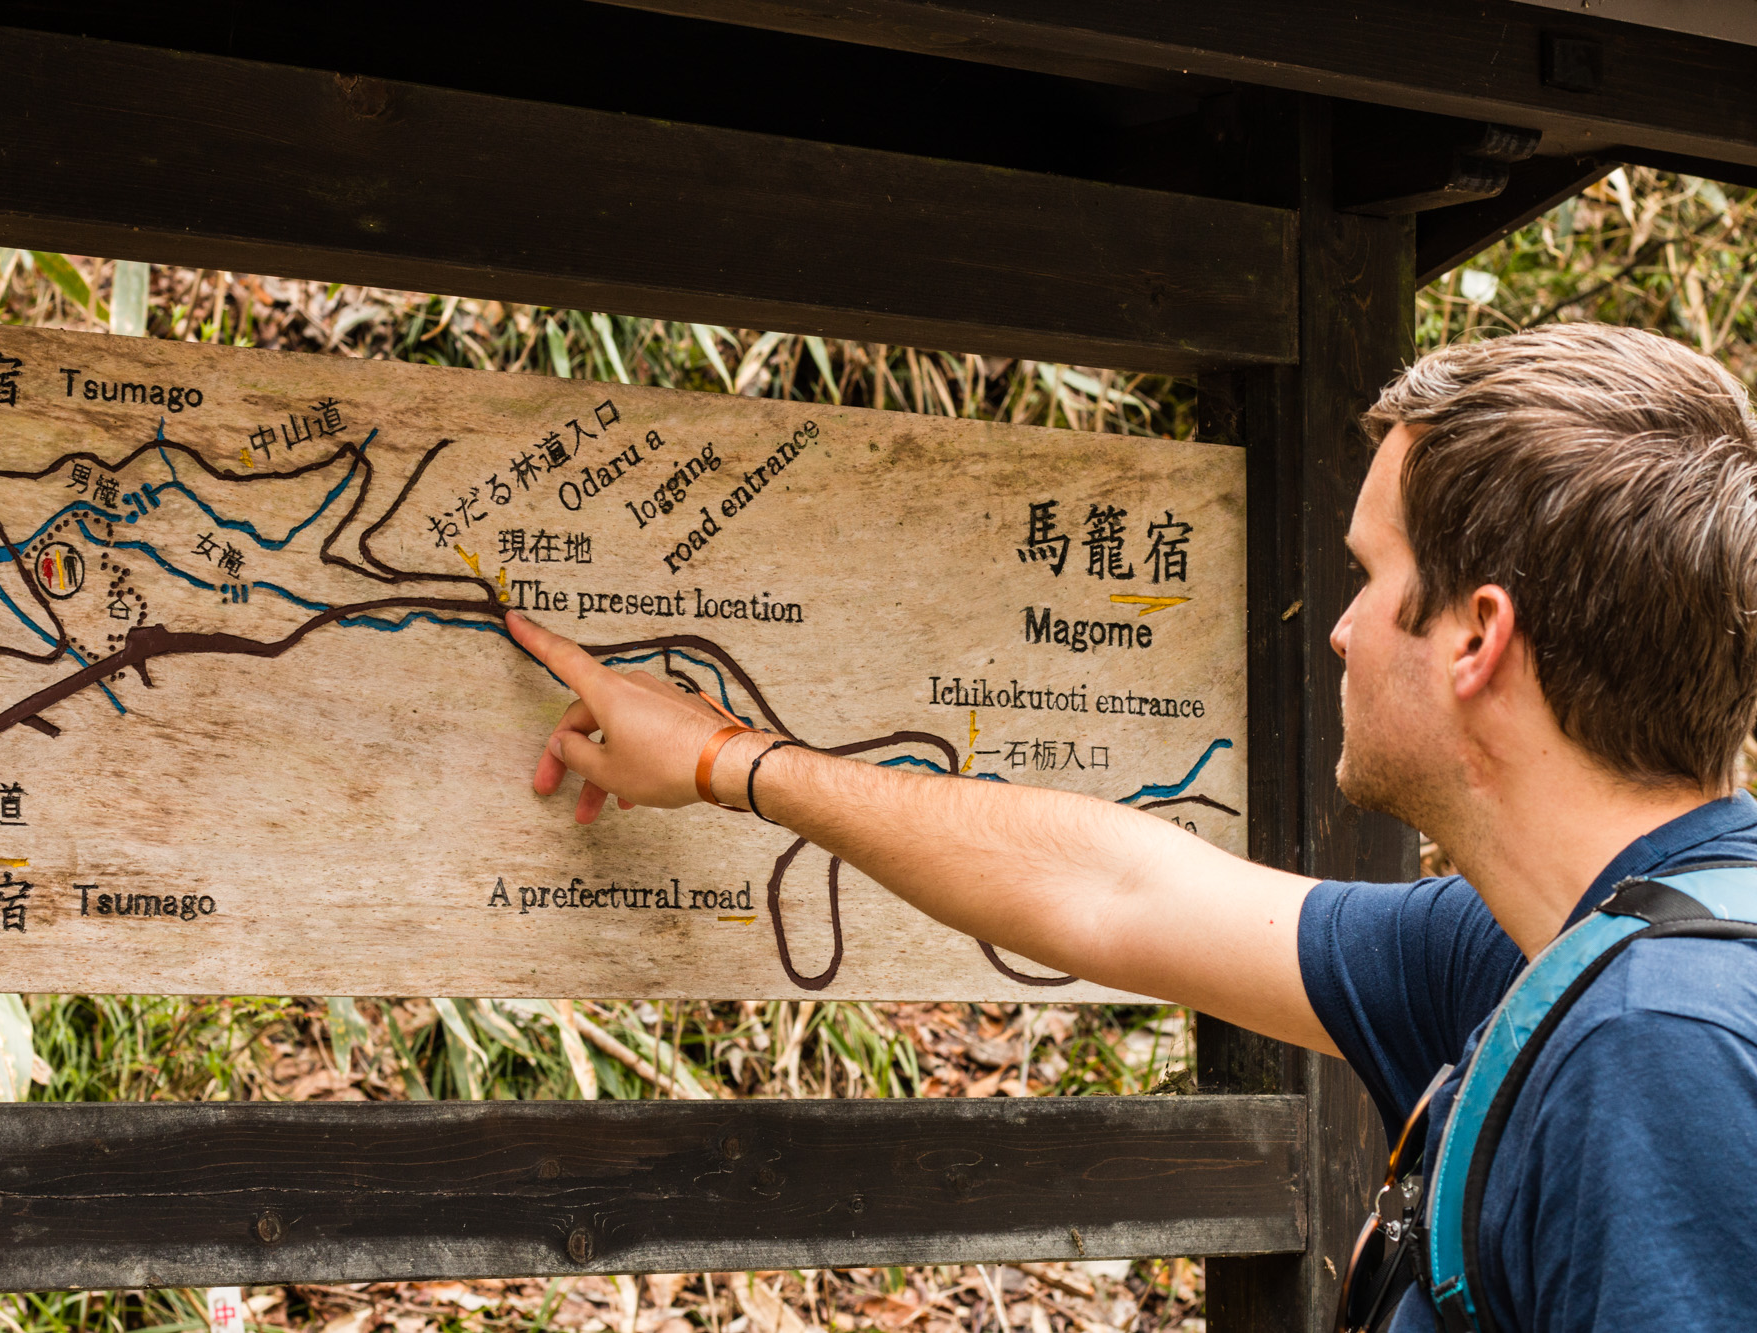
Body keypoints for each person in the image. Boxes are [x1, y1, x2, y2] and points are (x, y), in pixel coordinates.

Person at [505, 322, 1757, 1331]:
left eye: (1372, 580)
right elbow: (1119, 890)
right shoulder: (1561, 951)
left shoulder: (1649, 1052)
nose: (1339, 627)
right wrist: (729, 760)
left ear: (1475, 637)